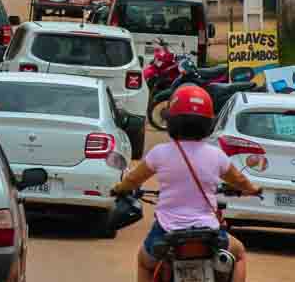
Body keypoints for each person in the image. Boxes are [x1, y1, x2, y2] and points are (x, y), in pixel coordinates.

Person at [111, 85, 261, 282]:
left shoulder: (159, 153)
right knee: (239, 254)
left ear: (171, 121)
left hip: (166, 231)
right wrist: (253, 190)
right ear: (208, 123)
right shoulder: (216, 156)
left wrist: (119, 189)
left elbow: (133, 179)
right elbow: (240, 180)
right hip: (209, 233)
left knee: (144, 262)